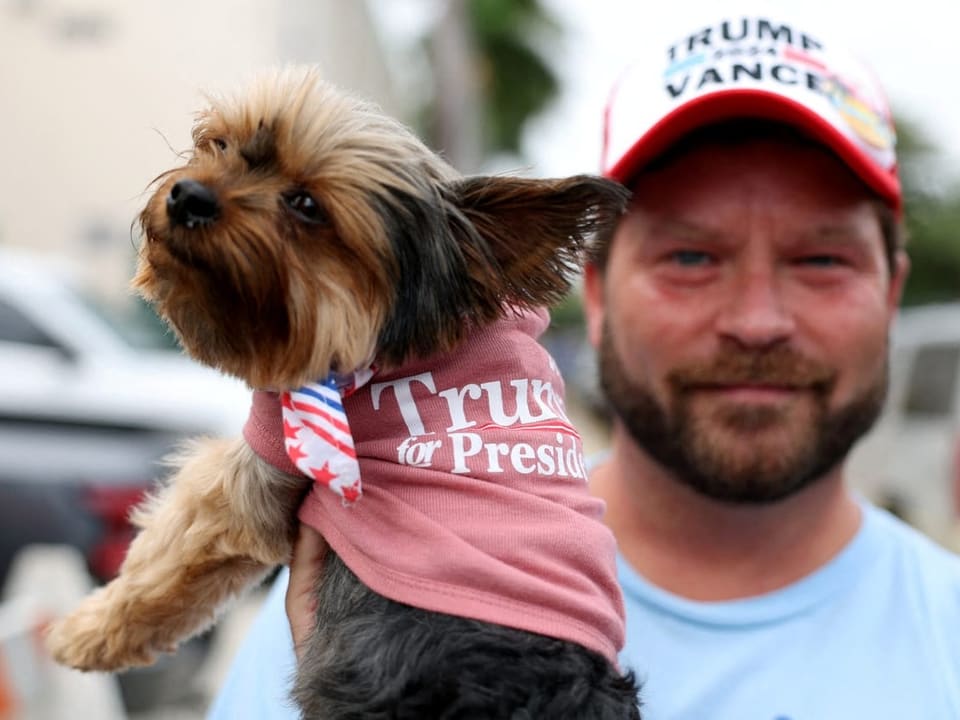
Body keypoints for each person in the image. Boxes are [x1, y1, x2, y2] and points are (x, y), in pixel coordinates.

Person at [207, 6, 960, 719]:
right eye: (691, 256)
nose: (756, 321)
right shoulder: (345, 598)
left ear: (890, 292)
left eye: (822, 259)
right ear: (592, 295)